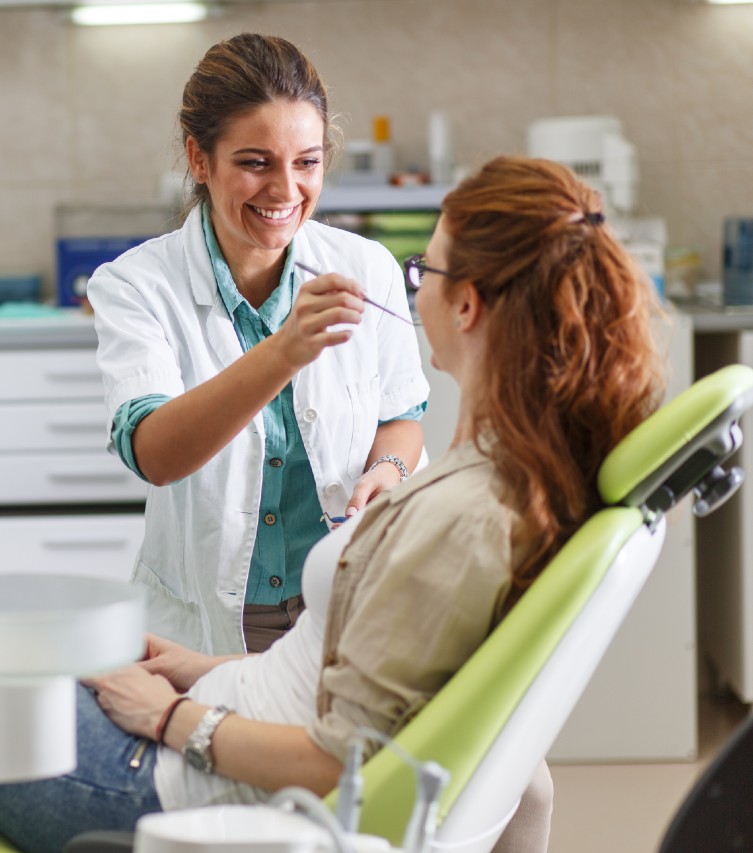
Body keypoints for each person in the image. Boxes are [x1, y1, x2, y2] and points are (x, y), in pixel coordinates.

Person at [0, 155, 664, 853]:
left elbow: (337, 760)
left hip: (184, 779)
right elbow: (338, 681)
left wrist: (168, 716)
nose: (411, 292)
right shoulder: (505, 477)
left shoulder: (462, 520)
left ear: (465, 305)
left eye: (423, 272)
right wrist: (202, 672)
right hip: (220, 705)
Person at [86, 33, 430, 656]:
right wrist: (286, 349)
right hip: (213, 616)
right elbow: (156, 455)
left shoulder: (366, 265)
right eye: (255, 162)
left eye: (307, 162)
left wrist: (388, 470)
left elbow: (403, 417)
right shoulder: (135, 285)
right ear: (199, 158)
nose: (285, 191)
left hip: (347, 600)